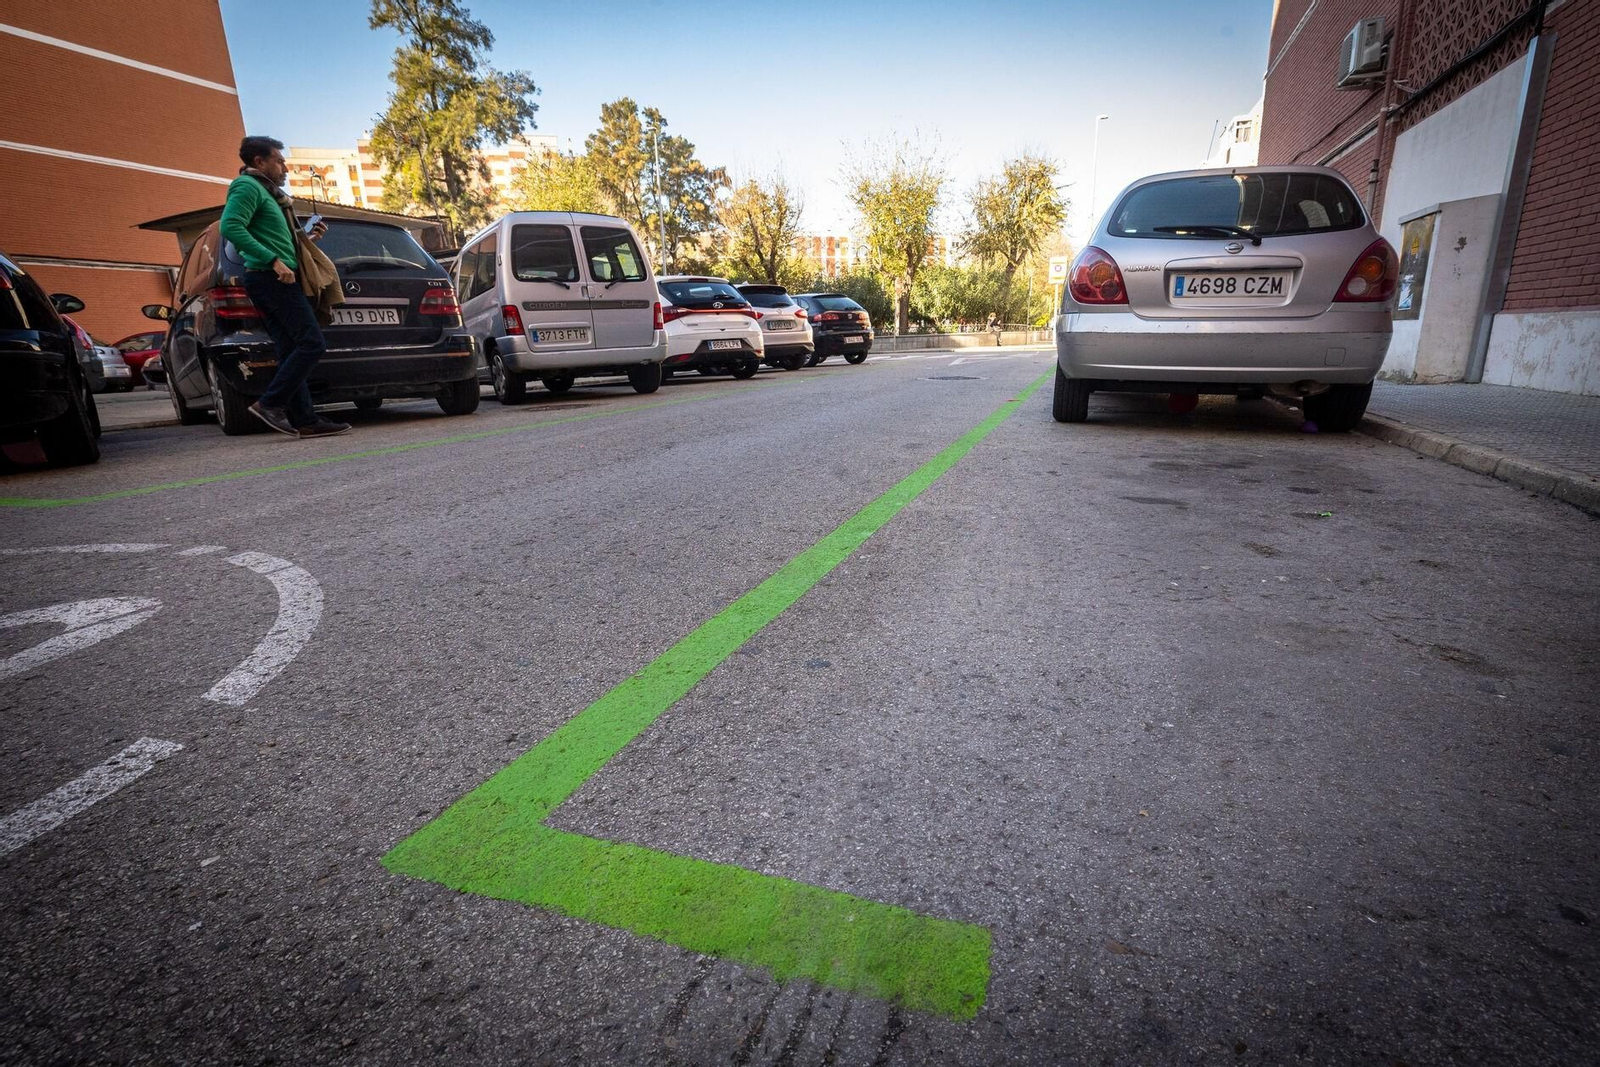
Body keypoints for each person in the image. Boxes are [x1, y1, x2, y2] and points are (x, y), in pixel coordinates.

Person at [218, 135, 349, 438]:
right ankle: (270, 403)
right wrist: (274, 260)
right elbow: (230, 226)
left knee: (290, 348)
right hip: (270, 277)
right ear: (259, 162)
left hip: (274, 275)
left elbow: (272, 236)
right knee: (312, 342)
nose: (285, 166)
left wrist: (307, 238)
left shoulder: (270, 194)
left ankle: (304, 419)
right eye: (279, 160)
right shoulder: (247, 186)